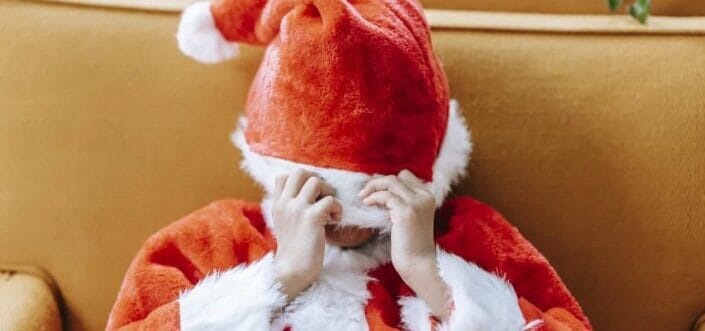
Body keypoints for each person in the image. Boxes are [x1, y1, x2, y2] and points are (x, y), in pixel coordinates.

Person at [106, 0, 592, 330]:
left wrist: (432, 278)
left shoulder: (471, 240)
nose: (341, 214)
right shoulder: (212, 243)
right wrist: (279, 280)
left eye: (369, 193)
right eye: (319, 187)